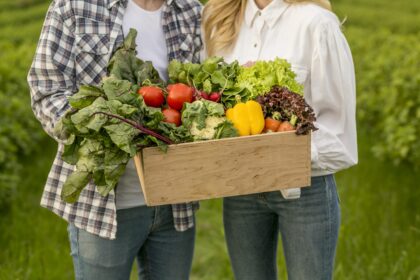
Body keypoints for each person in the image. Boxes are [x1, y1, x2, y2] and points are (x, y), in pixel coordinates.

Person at [28, 0, 202, 279]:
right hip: (102, 204)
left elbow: (200, 94)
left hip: (173, 202)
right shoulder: (73, 7)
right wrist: (107, 130)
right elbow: (45, 91)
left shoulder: (190, 11)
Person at [203, 0, 357, 279]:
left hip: (305, 187)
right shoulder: (220, 22)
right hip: (242, 189)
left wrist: (283, 153)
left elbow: (340, 132)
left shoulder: (316, 24)